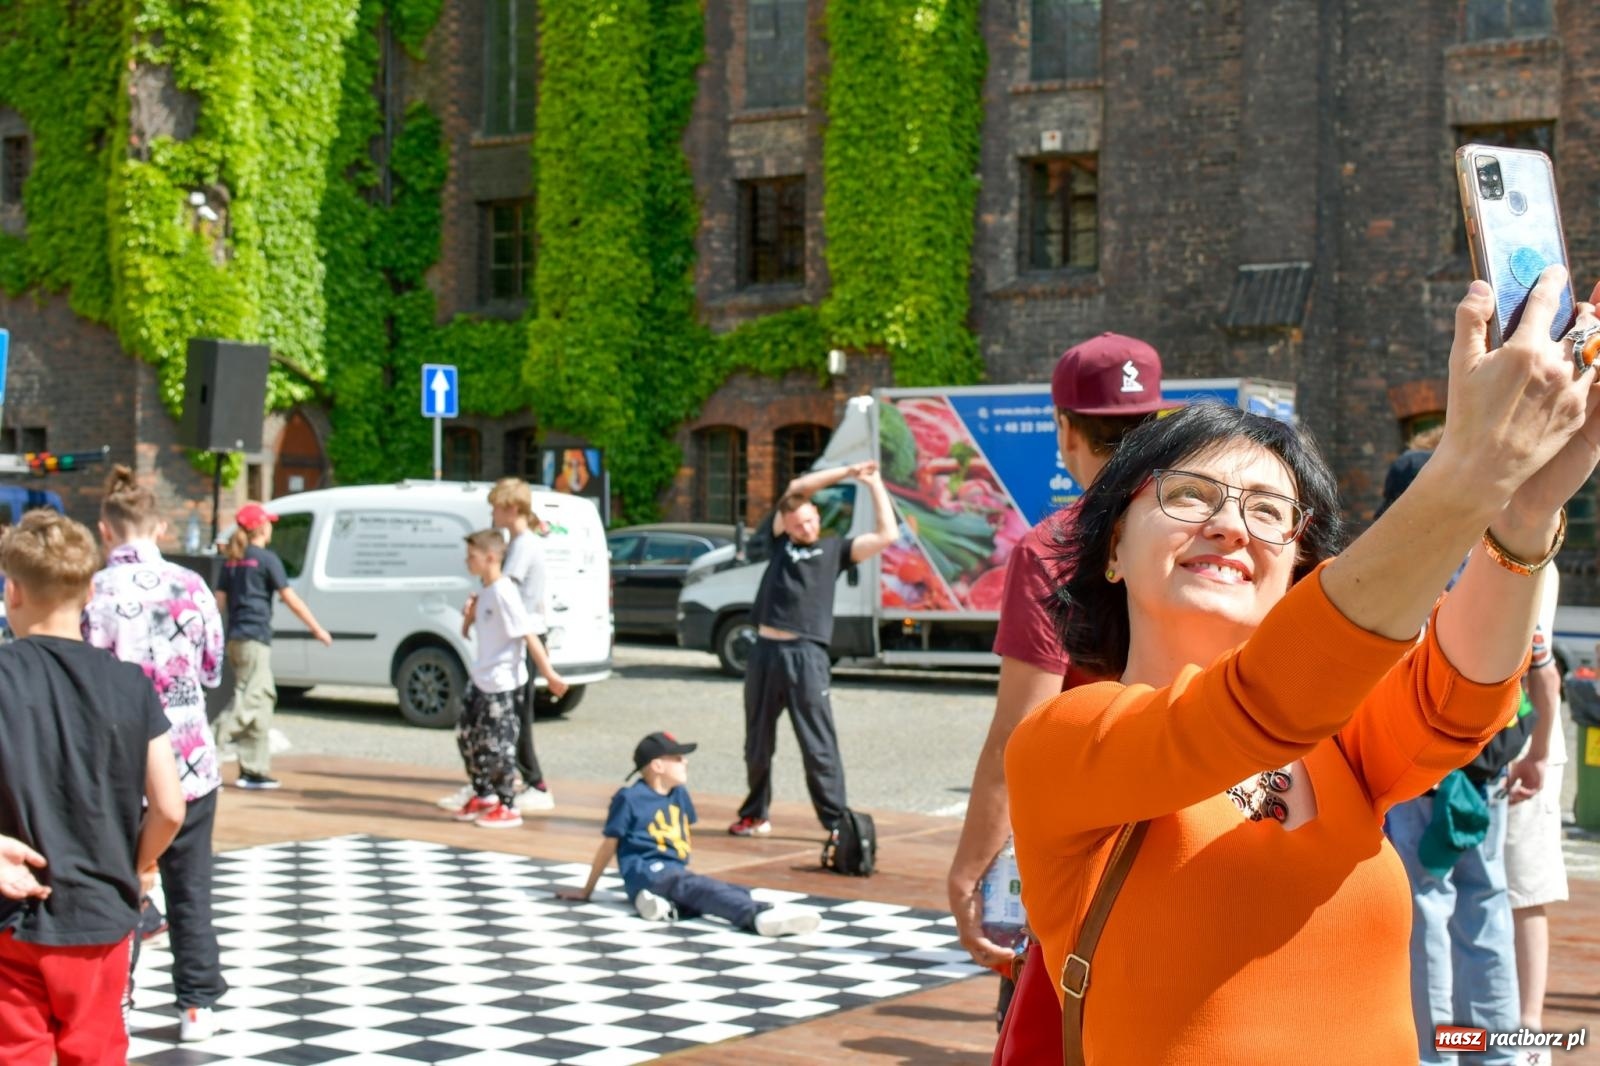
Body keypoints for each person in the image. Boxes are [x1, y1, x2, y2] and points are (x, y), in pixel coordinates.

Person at [1006, 269, 1600, 1060]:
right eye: (1188, 495)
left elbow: (1454, 703)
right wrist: (1470, 475)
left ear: (1299, 567)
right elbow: (1254, 707)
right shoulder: (1065, 743)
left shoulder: (1337, 743)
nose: (1229, 526)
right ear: (1113, 544)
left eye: (1268, 512)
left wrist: (1525, 513)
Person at [942, 334, 1175, 1060]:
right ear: (1157, 421)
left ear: (1064, 428)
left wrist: (971, 866)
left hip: (1089, 855)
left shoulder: (1054, 548)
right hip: (1200, 827)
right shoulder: (1207, 536)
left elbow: (1024, 727)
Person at [0, 510, 186, 1066]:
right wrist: (136, 862)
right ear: (88, 594)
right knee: (98, 1051)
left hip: (13, 912)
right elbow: (171, 807)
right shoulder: (129, 682)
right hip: (100, 911)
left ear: (12, 591)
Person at [83, 466, 228, 1042]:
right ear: (160, 528)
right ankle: (196, 1004)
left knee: (118, 880)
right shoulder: (191, 586)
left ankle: (118, 996)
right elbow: (214, 669)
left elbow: (86, 677)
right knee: (190, 885)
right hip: (188, 755)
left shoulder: (95, 590)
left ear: (105, 529)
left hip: (118, 761)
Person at [729, 460, 898, 838]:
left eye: (809, 521)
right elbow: (796, 486)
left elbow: (887, 534)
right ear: (786, 526)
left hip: (807, 656)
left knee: (818, 744)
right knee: (756, 742)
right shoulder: (778, 543)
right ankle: (755, 814)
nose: (804, 528)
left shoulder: (835, 550)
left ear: (818, 517)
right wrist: (847, 471)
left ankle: (836, 822)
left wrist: (872, 483)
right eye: (796, 524)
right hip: (764, 654)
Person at [558, 731, 821, 936]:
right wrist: (586, 890)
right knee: (700, 889)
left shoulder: (679, 794)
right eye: (677, 758)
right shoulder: (629, 798)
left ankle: (666, 907)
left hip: (672, 870)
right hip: (645, 870)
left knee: (724, 888)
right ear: (657, 766)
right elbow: (609, 844)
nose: (685, 761)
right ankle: (756, 917)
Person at [436, 478, 556, 813]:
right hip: (516, 635)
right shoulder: (518, 542)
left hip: (521, 636)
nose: (491, 513)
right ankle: (496, 782)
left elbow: (509, 596)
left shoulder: (523, 546)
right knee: (496, 721)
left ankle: (530, 782)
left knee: (512, 717)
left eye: (496, 507)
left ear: (512, 509)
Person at [450, 529, 568, 830]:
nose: (467, 561)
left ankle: (507, 804)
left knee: (497, 745)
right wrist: (468, 617)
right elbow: (478, 625)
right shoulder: (487, 591)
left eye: (472, 556)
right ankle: (484, 793)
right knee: (467, 736)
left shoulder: (505, 592)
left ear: (490, 557)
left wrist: (550, 673)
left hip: (502, 683)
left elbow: (528, 634)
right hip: (482, 677)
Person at [212, 502, 332, 790]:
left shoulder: (233, 560)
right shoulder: (267, 560)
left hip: (238, 639)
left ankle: (253, 769)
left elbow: (218, 603)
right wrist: (317, 629)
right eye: (269, 523)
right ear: (261, 527)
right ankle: (207, 749)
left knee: (263, 698)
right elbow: (290, 598)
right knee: (249, 700)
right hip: (255, 640)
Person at [1504, 564, 1569, 1060]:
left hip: (1522, 743)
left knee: (1523, 887)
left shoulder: (1524, 555)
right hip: (1488, 744)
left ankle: (1526, 1031)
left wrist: (1540, 752)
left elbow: (1544, 672)